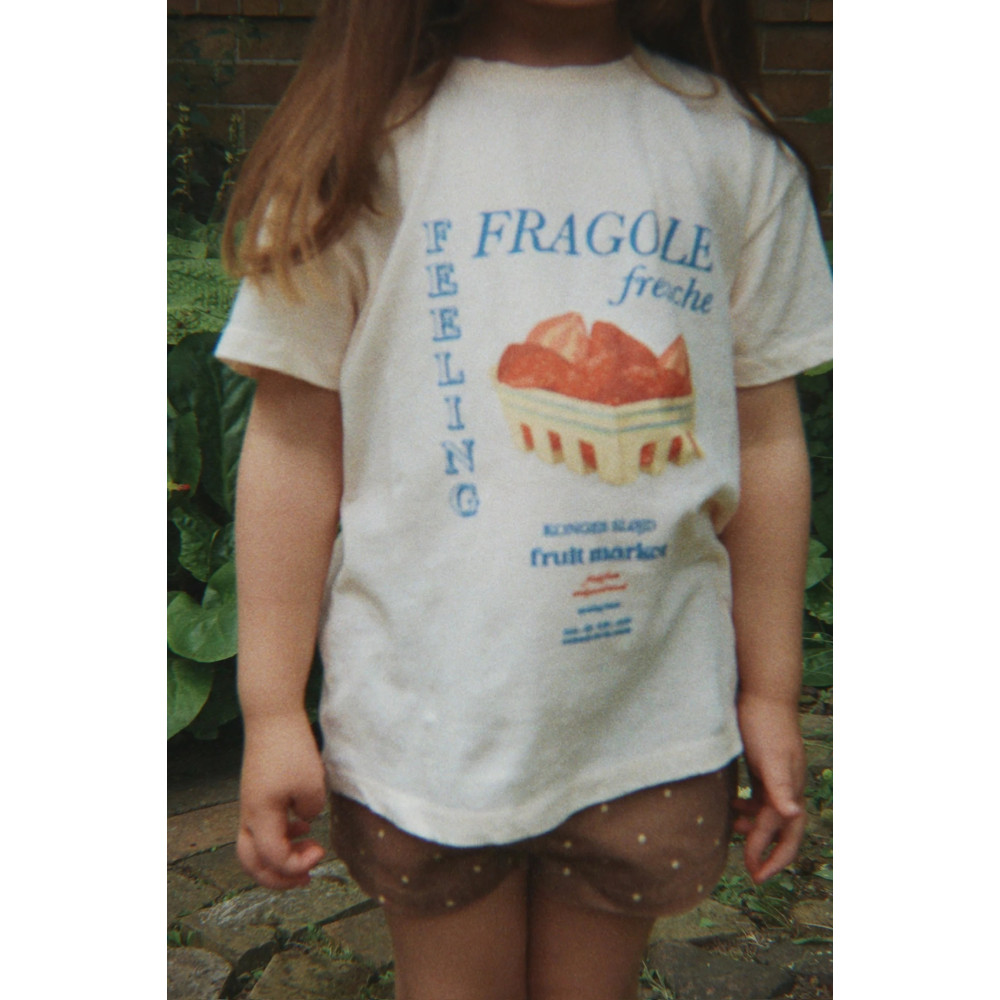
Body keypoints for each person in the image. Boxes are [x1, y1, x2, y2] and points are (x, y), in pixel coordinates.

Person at [215, 1, 833, 996]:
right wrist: (271, 707)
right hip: (430, 726)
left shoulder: (729, 147)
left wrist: (768, 690)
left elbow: (763, 438)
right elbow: (292, 445)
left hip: (648, 719)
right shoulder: (360, 150)